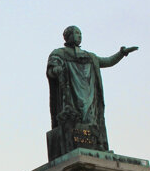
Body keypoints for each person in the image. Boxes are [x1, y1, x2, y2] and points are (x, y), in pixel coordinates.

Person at [45, 26, 137, 161]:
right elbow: (51, 70)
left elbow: (107, 61)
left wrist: (121, 54)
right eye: (76, 33)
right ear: (68, 36)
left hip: (89, 93)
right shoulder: (59, 53)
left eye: (80, 33)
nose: (79, 36)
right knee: (75, 117)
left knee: (91, 117)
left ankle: (95, 144)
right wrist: (57, 70)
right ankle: (74, 143)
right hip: (71, 93)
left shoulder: (90, 56)